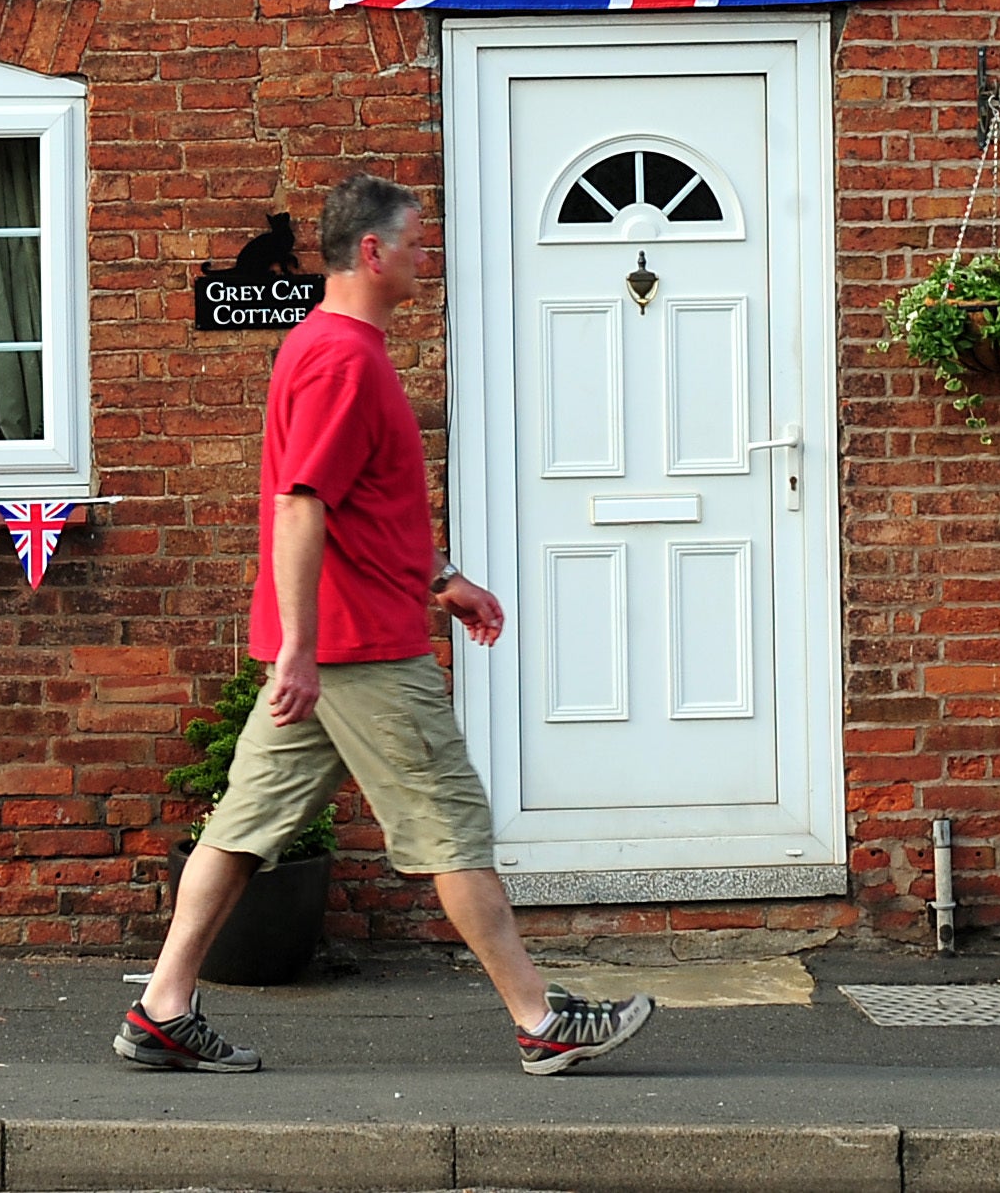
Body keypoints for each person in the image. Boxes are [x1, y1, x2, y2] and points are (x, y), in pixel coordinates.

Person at [115, 172, 654, 1079]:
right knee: (450, 825)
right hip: (358, 653)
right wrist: (301, 647)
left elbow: (362, 510)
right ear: (372, 251)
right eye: (414, 242)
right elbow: (300, 506)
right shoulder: (342, 360)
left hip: (337, 648)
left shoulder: (328, 347)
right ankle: (540, 1019)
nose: (423, 258)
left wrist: (442, 579)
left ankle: (162, 1010)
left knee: (242, 829)